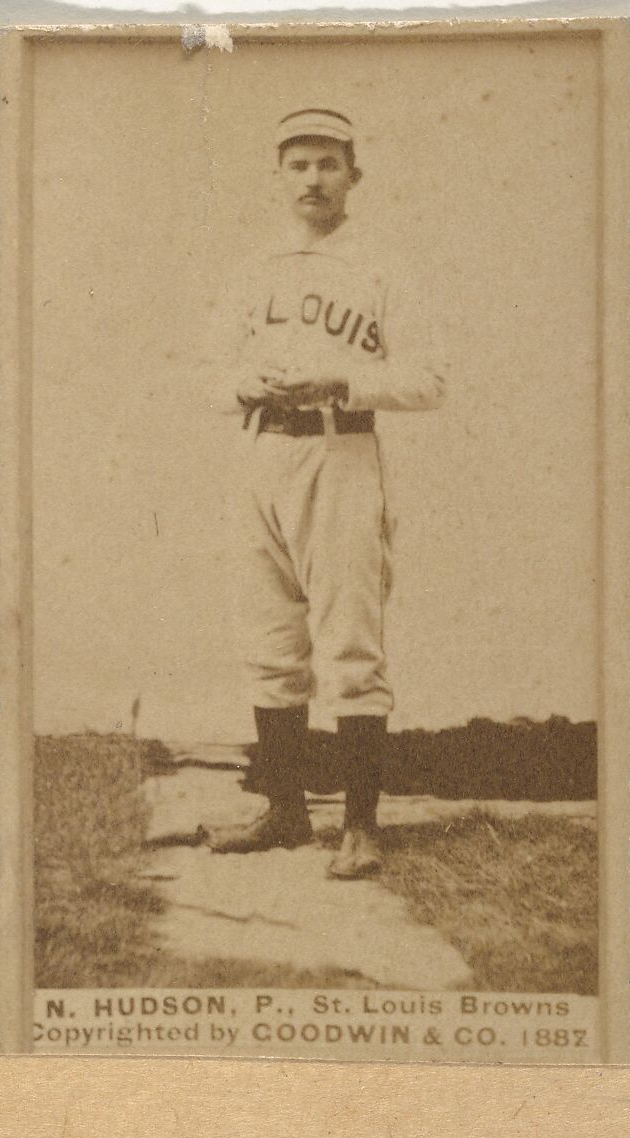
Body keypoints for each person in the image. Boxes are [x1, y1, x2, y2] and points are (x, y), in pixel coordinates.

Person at [205, 108, 446, 878]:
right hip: (259, 456)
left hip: (340, 453)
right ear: (279, 176)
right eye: (298, 164)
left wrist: (340, 380)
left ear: (353, 175)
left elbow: (427, 380)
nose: (313, 178)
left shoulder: (382, 268)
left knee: (349, 644)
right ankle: (284, 811)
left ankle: (360, 828)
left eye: (327, 164)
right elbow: (207, 375)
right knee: (268, 643)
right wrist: (244, 382)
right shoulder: (253, 268)